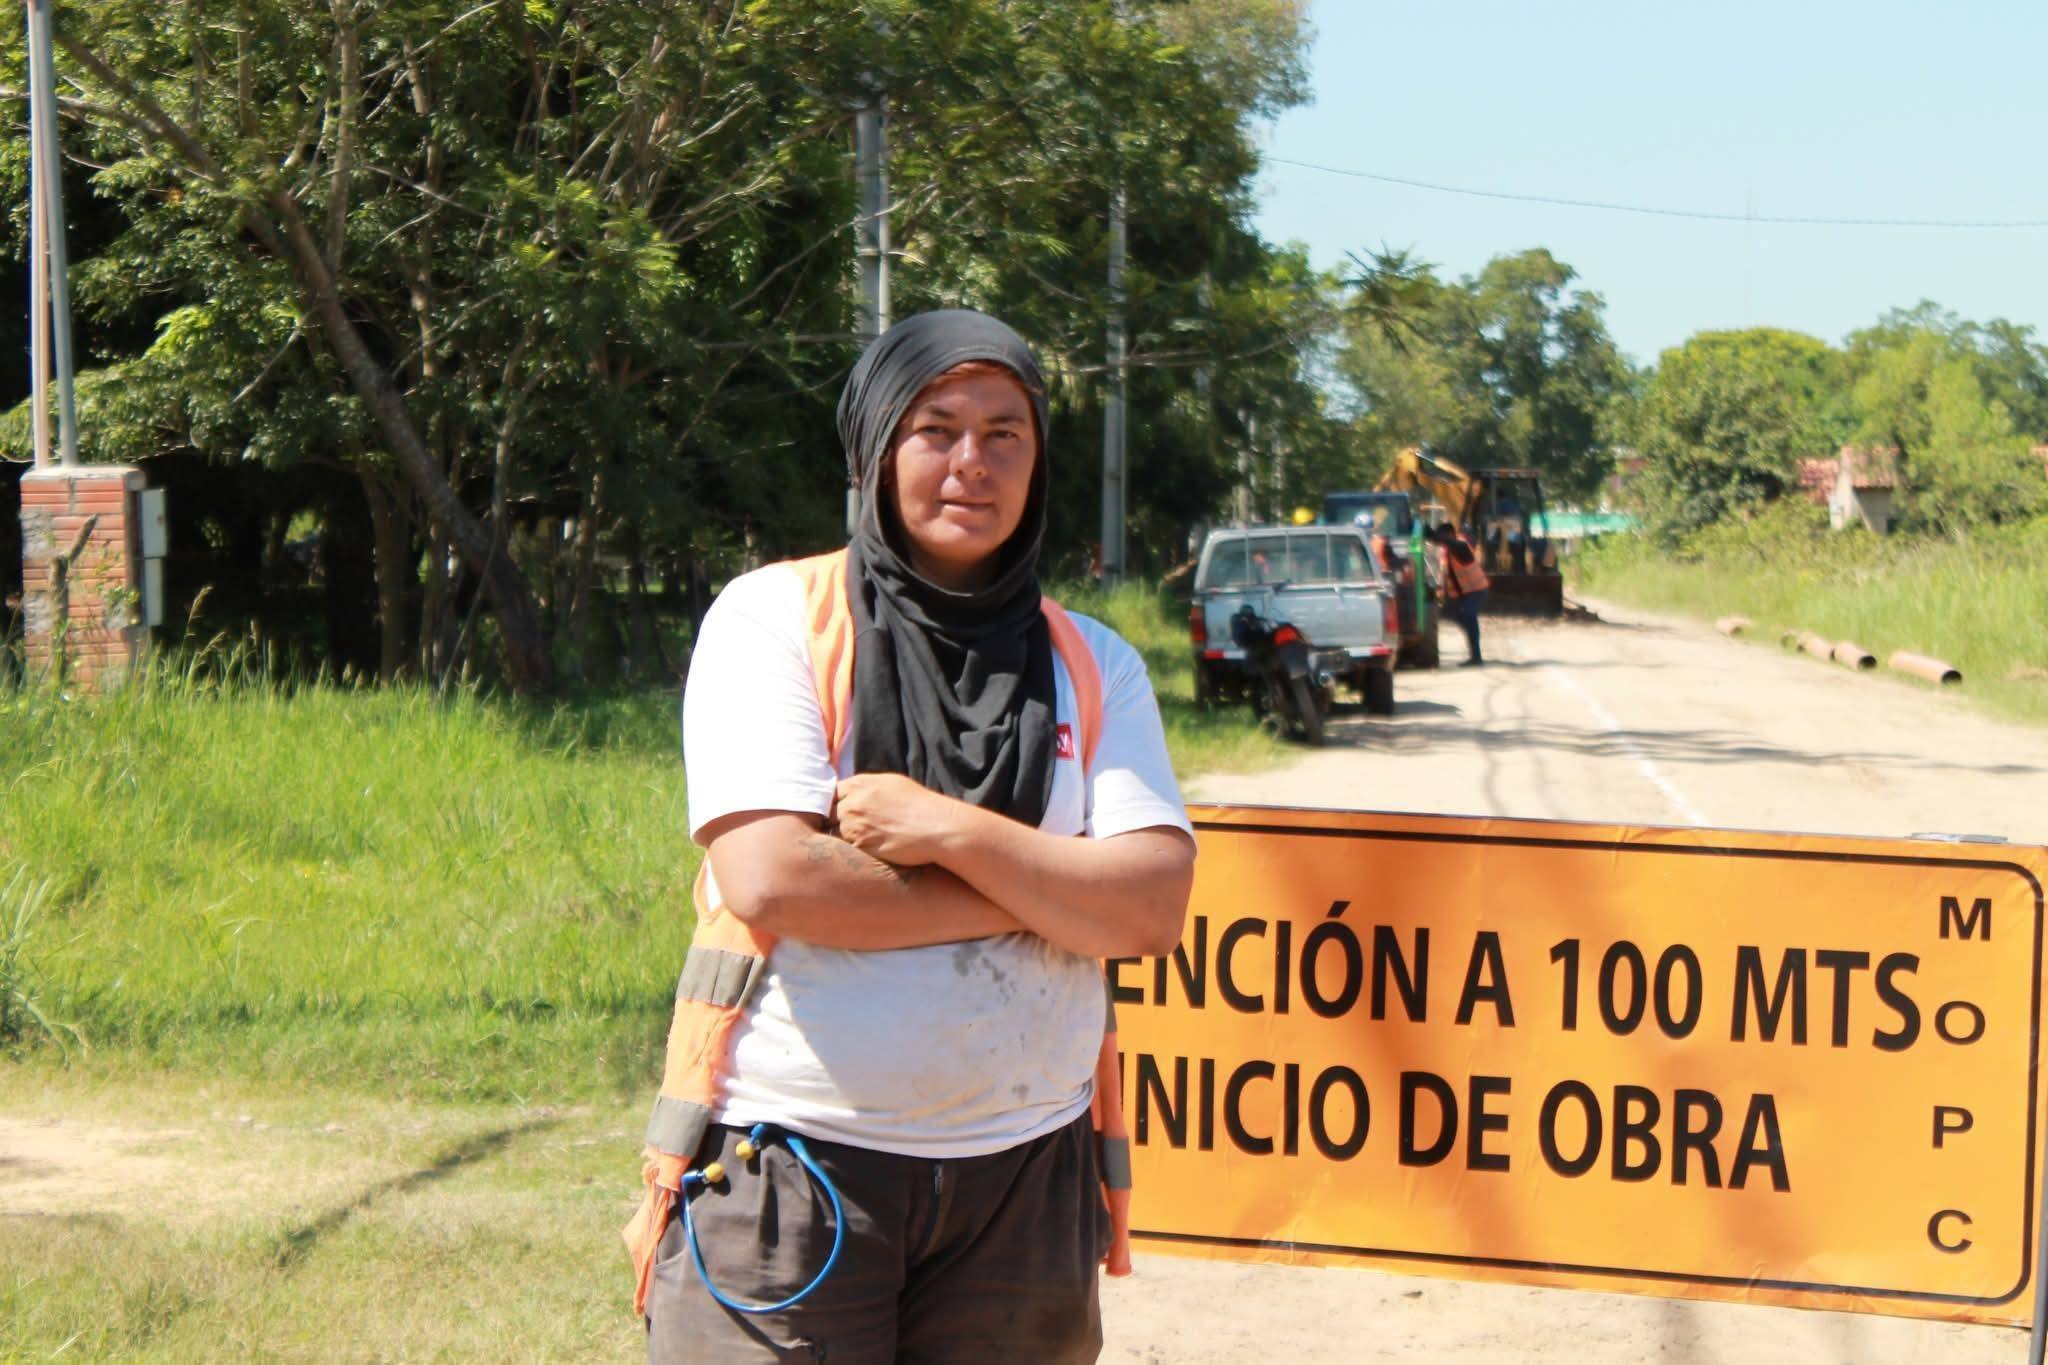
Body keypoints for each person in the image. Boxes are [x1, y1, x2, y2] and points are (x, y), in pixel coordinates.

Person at [630, 310, 1197, 1363]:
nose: (971, 461)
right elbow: (775, 879)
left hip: (1025, 1176)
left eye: (1004, 433)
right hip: (793, 1165)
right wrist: (1052, 896)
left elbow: (1153, 906)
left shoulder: (1092, 662)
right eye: (935, 429)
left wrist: (945, 829)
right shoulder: (775, 620)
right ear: (872, 450)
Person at [1428, 521, 1490, 666]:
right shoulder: (1447, 550)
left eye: (1443, 537)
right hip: (1463, 593)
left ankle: (1476, 657)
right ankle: (1474, 647)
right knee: (1451, 614)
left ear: (1449, 535)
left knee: (1468, 614)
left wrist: (1440, 538)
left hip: (1476, 589)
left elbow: (1455, 545)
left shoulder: (1461, 545)